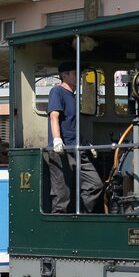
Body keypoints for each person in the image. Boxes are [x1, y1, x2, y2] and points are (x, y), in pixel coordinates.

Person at [47, 60, 103, 214]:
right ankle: (58, 231)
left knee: (95, 184)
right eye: (75, 73)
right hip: (62, 151)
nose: (78, 77)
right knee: (61, 196)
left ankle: (82, 217)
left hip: (77, 149)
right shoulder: (56, 92)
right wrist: (57, 140)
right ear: (64, 75)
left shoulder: (74, 97)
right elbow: (54, 116)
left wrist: (86, 143)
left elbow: (73, 124)